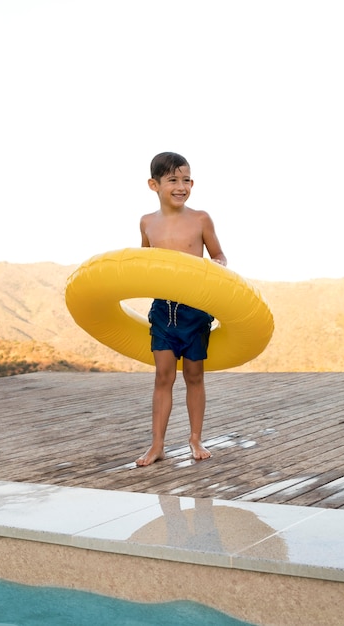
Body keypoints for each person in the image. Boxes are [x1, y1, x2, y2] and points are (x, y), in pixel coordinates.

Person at [135, 152, 227, 467]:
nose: (181, 186)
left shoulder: (200, 219)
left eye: (185, 180)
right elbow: (143, 265)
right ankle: (157, 444)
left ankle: (195, 438)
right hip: (163, 311)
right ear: (154, 184)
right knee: (163, 375)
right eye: (173, 180)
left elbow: (218, 255)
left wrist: (215, 269)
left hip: (195, 309)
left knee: (194, 374)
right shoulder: (147, 222)